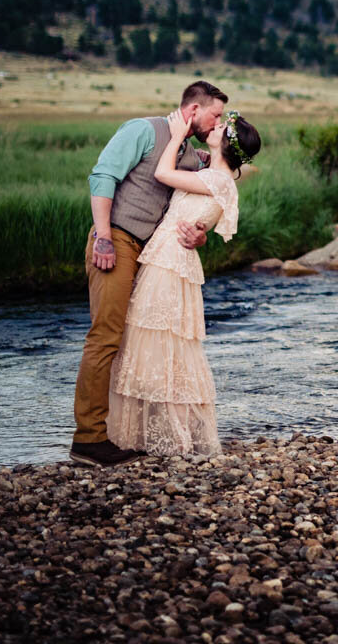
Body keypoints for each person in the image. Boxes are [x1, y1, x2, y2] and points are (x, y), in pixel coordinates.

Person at [69, 81, 227, 467]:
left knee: (135, 342)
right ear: (193, 110)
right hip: (118, 242)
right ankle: (88, 440)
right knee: (106, 336)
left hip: (152, 256)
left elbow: (193, 208)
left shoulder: (189, 153)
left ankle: (126, 432)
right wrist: (103, 237)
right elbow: (102, 177)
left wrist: (200, 235)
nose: (218, 122)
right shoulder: (143, 130)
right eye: (216, 115)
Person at [105, 106, 260, 456]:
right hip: (170, 259)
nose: (216, 126)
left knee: (157, 345)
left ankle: (172, 438)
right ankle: (153, 434)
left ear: (227, 145)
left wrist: (176, 136)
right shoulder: (212, 175)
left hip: (169, 263)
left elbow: (163, 173)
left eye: (222, 127)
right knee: (158, 345)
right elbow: (197, 219)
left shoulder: (216, 180)